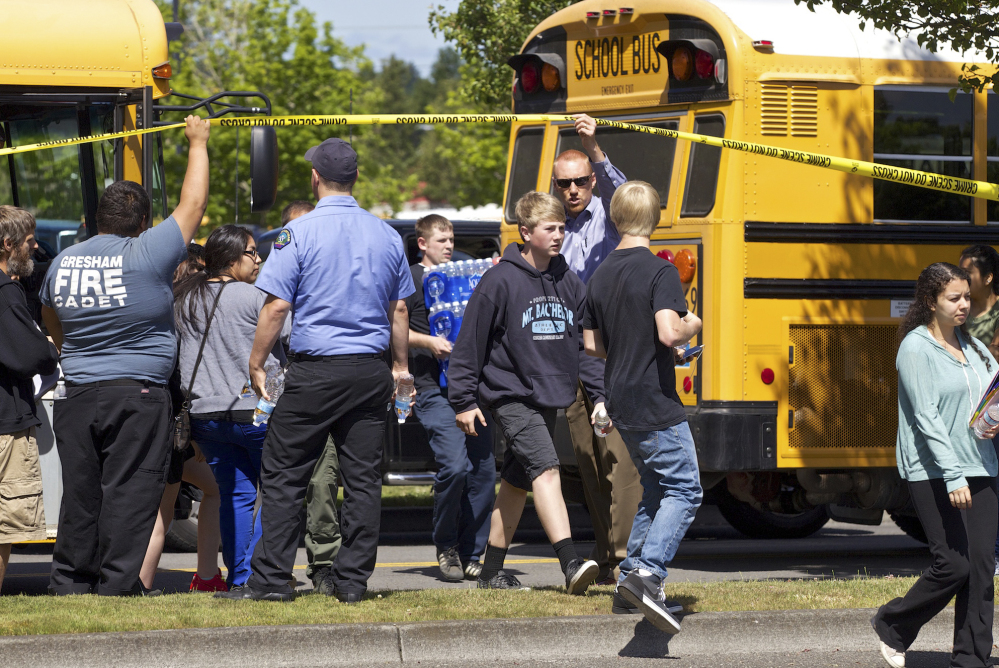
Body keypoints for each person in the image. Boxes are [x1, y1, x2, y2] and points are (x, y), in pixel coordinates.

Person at [217, 137, 413, 602]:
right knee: (362, 479)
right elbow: (399, 310)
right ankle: (351, 582)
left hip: (315, 371)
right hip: (369, 370)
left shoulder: (297, 233)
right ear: (356, 178)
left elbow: (277, 305)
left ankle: (269, 581)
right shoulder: (386, 234)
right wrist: (401, 368)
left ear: (315, 178)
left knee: (285, 473)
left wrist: (257, 362)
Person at [40, 115, 211, 596]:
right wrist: (197, 141)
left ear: (96, 219)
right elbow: (193, 203)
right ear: (141, 223)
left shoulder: (64, 261)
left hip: (78, 393)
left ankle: (71, 583)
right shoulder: (147, 252)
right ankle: (116, 586)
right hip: (137, 394)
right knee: (132, 492)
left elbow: (50, 315)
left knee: (82, 493)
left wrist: (69, 347)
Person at [448, 191, 601, 595]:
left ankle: (490, 572)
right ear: (526, 231)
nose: (558, 235)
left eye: (562, 227)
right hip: (509, 394)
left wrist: (599, 396)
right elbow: (470, 345)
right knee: (547, 471)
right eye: (549, 228)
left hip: (550, 396)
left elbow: (584, 347)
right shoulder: (499, 280)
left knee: (516, 483)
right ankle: (571, 562)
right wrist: (463, 401)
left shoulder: (570, 282)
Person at [583, 181, 702, 634]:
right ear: (657, 220)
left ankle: (627, 581)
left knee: (655, 489)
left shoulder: (601, 272)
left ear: (615, 220)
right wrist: (693, 324)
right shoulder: (660, 271)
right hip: (654, 399)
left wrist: (642, 345)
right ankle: (650, 575)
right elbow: (671, 332)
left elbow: (593, 344)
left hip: (619, 397)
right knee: (687, 490)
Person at [870, 262, 998, 668]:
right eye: (954, 298)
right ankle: (893, 624)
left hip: (982, 465)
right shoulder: (915, 348)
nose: (964, 305)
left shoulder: (974, 346)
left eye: (967, 297)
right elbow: (926, 417)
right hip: (934, 470)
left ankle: (971, 659)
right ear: (930, 301)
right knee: (954, 565)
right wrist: (953, 473)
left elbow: (993, 389)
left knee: (981, 569)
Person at [165, 225, 288, 591]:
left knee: (235, 495)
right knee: (279, 491)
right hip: (256, 412)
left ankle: (241, 578)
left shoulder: (184, 298)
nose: (259, 259)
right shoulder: (257, 298)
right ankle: (264, 573)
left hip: (205, 418)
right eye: (252, 252)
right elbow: (291, 336)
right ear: (232, 257)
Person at [554, 114, 642, 585]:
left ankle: (625, 558)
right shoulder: (554, 229)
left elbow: (621, 194)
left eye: (580, 182)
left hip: (606, 353)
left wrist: (595, 149)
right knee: (586, 461)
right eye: (564, 184)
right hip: (567, 357)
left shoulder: (609, 219)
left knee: (618, 460)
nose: (572, 191)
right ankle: (606, 552)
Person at [407, 214, 495, 581]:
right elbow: (390, 331)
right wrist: (428, 341)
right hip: (430, 388)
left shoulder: (462, 277)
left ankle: (474, 552)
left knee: (484, 472)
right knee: (454, 466)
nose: (449, 246)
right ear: (422, 243)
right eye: (441, 240)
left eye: (451, 239)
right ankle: (447, 547)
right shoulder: (409, 279)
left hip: (471, 389)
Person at [140, 243, 224, 595]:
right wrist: (193, 435)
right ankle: (141, 583)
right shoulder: (189, 312)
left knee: (210, 490)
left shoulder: (153, 304)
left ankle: (206, 575)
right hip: (172, 425)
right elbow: (182, 379)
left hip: (141, 416)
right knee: (161, 514)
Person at [277, 199, 346, 595]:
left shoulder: (335, 279)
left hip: (330, 390)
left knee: (324, 484)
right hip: (288, 398)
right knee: (283, 486)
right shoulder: (275, 284)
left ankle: (324, 564)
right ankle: (272, 568)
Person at [0, 206, 59, 591]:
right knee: (4, 528)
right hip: (5, 424)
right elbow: (30, 354)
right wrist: (49, 348)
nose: (36, 248)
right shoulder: (5, 290)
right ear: (7, 245)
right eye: (28, 241)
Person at [959, 245, 999, 359]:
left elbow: (994, 353)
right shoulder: (956, 304)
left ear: (988, 278)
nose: (959, 278)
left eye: (966, 273)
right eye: (959, 272)